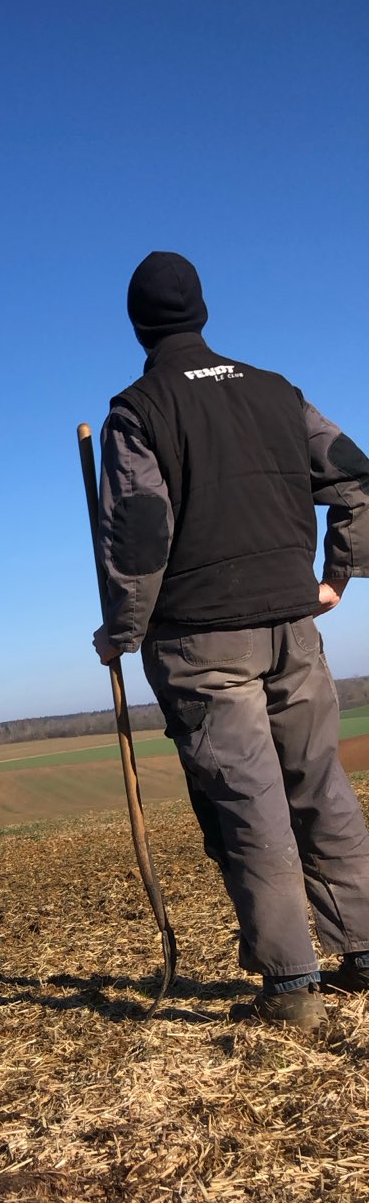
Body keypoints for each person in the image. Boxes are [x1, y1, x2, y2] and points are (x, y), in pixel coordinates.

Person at [94, 251, 369, 1029]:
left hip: (203, 646)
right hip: (295, 630)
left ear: (138, 323)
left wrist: (120, 631)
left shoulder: (137, 411)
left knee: (249, 804)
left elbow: (140, 538)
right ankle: (364, 951)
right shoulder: (279, 393)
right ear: (203, 312)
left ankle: (290, 989)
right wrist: (338, 575)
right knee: (320, 785)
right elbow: (357, 474)